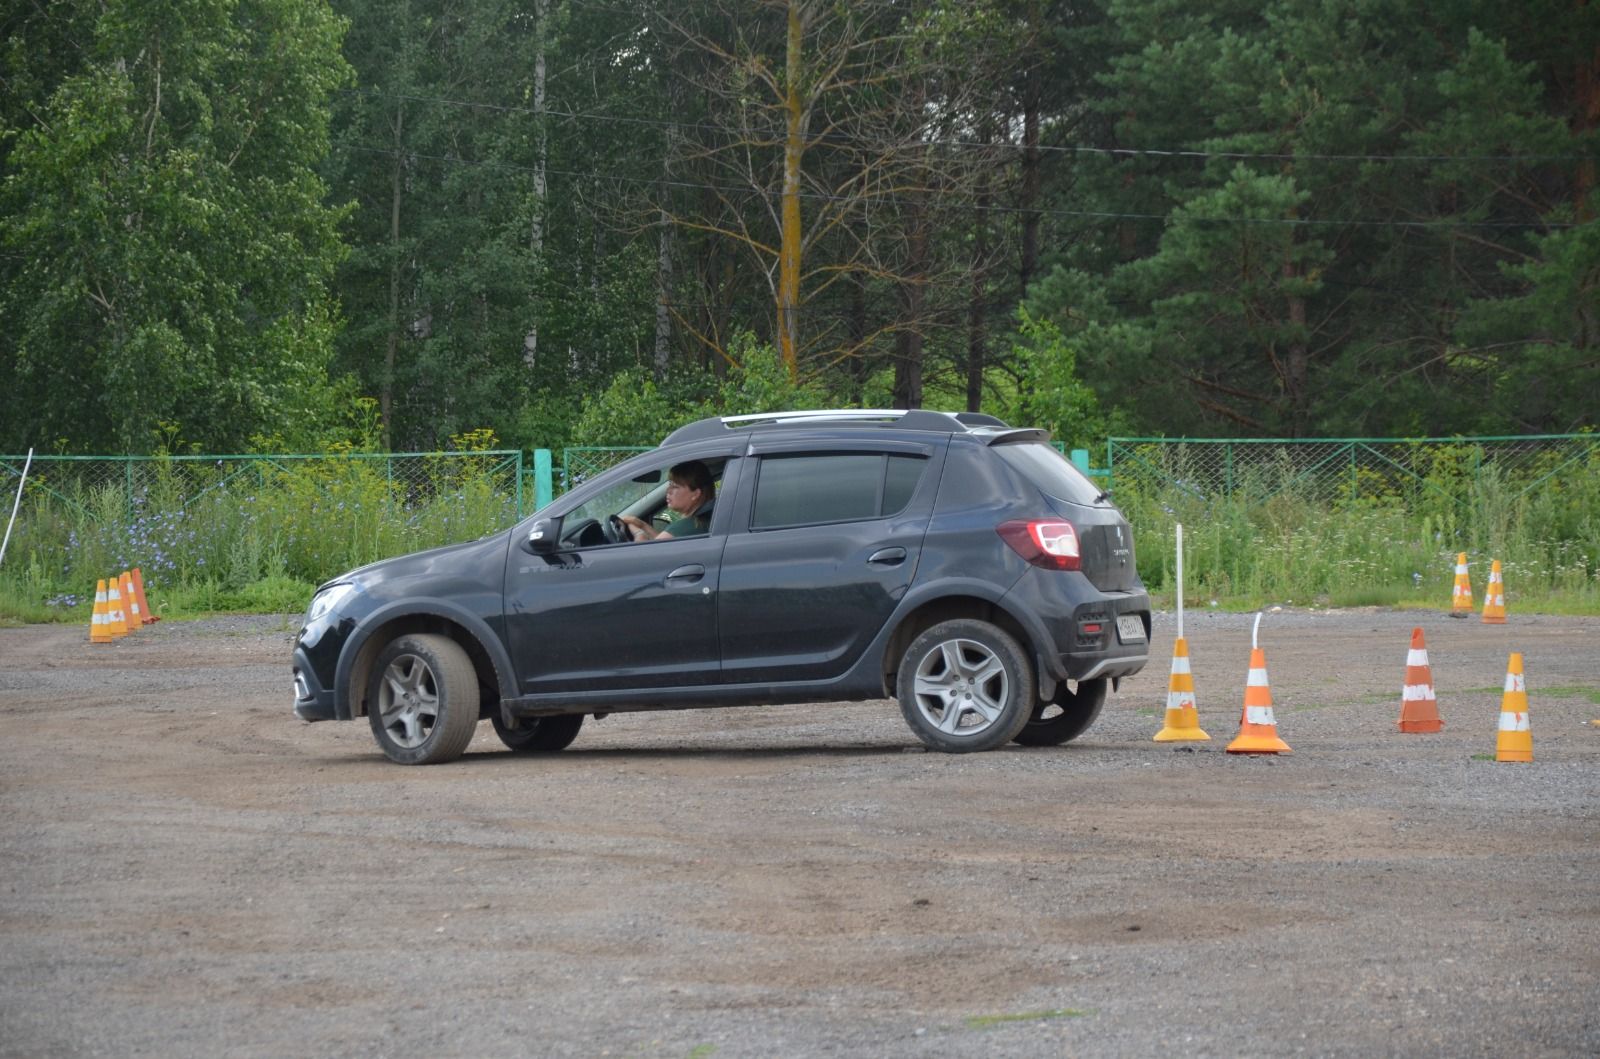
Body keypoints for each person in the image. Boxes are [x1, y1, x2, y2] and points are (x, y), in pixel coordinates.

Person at [620, 460, 714, 541]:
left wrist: (639, 534)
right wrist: (642, 525)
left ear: (696, 494)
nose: (668, 490)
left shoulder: (686, 527)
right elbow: (662, 543)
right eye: (670, 485)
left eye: (675, 487)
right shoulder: (702, 522)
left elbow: (646, 555)